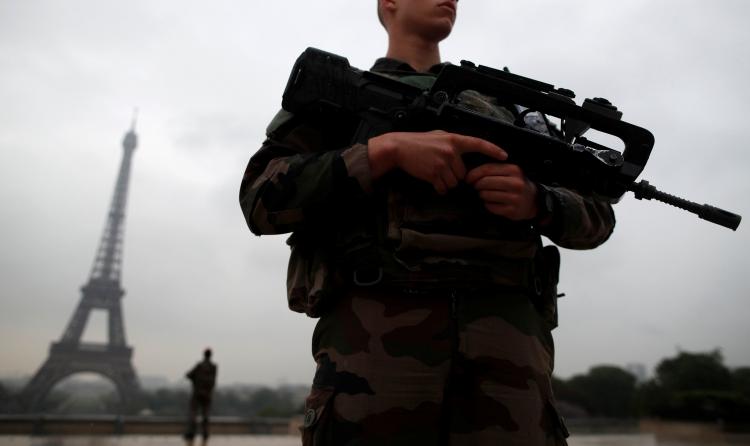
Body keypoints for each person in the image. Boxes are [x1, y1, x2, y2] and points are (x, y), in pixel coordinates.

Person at [239, 0, 615, 444]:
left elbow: (597, 217)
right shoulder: (343, 94)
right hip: (374, 346)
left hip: (508, 355)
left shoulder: (507, 109)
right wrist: (383, 153)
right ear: (389, 3)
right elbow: (260, 199)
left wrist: (539, 201)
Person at [184, 348, 217, 442]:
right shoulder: (213, 367)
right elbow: (213, 381)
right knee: (205, 415)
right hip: (207, 394)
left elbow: (188, 375)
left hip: (197, 393)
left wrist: (195, 381)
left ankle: (191, 433)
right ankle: (205, 433)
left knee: (193, 414)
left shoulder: (199, 365)